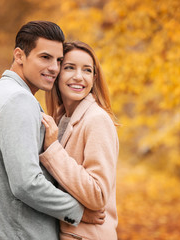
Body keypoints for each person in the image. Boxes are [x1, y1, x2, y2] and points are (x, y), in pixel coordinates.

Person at [0, 21, 104, 240]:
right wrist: (78, 212)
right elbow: (26, 184)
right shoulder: (18, 101)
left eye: (59, 60)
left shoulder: (1, 92)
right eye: (45, 57)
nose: (54, 68)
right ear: (19, 55)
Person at [41, 41, 119, 240]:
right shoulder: (60, 120)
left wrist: (53, 150)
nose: (78, 76)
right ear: (57, 73)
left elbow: (98, 195)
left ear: (94, 78)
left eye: (87, 70)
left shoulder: (97, 119)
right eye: (69, 68)